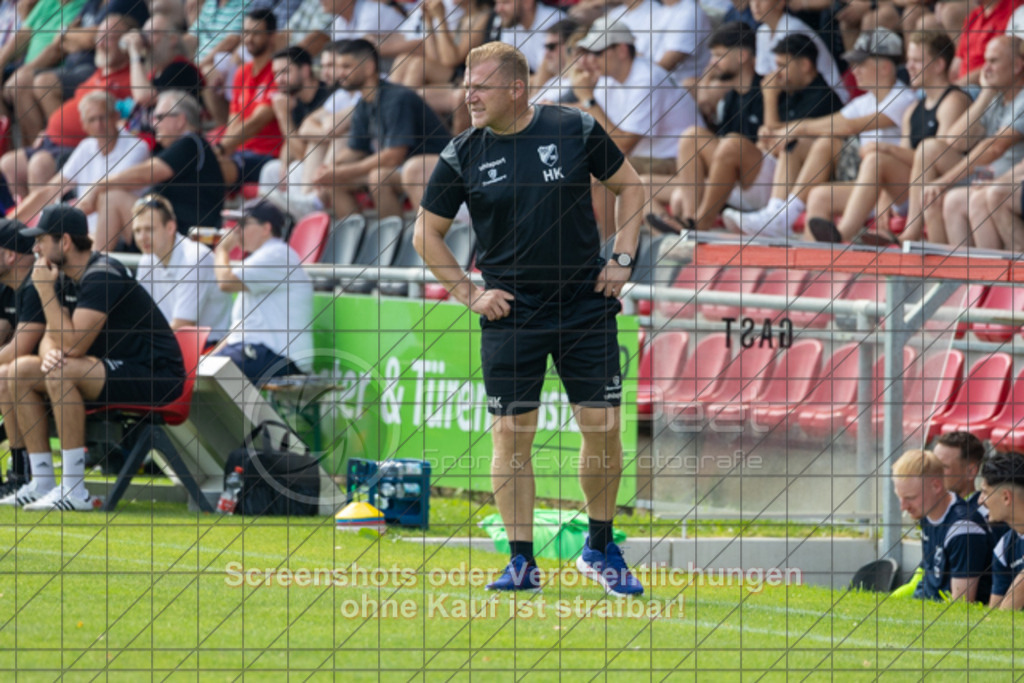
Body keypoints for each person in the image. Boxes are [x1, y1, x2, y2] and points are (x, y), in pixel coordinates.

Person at [415, 42, 645, 595]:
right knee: (512, 438)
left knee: (603, 429)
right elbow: (425, 234)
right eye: (467, 84)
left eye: (482, 85)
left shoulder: (575, 128)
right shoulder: (461, 153)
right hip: (513, 312)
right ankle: (521, 560)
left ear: (516, 89)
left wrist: (621, 259)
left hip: (585, 304)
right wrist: (470, 294)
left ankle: (600, 546)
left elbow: (632, 188)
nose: (469, 94)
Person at [1, 204, 185, 511]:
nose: (36, 247)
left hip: (156, 374)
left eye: (42, 239)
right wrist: (50, 355)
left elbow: (76, 345)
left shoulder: (102, 273)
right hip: (105, 368)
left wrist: (46, 293)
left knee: (62, 371)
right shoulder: (62, 276)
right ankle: (41, 481)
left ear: (66, 242)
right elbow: (52, 337)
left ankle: (74, 490)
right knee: (17, 371)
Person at [724, 28, 915, 238]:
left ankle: (784, 217)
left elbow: (848, 127)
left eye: (860, 64)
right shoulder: (866, 100)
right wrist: (787, 131)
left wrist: (796, 128)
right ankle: (779, 214)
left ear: (885, 67)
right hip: (865, 179)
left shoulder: (902, 98)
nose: (854, 70)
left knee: (824, 142)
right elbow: (832, 122)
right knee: (816, 187)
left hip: (891, 188)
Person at [647, 29, 843, 234]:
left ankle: (700, 224)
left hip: (784, 184)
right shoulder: (786, 90)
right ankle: (689, 219)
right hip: (751, 171)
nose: (777, 74)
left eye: (783, 66)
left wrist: (769, 99)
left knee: (733, 144)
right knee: (692, 136)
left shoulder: (822, 97)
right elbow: (771, 135)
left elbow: (784, 144)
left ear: (804, 65)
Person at [806, 31, 971, 244]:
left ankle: (844, 233)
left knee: (881, 156)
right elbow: (907, 162)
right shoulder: (913, 109)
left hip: (947, 184)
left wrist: (885, 149)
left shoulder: (953, 101)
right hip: (912, 189)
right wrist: (884, 192)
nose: (908, 67)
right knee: (820, 195)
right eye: (909, 60)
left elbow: (937, 161)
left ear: (939, 65)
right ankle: (813, 267)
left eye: (917, 61)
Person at [0, 13, 135, 204]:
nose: (102, 42)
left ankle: (46, 229)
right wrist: (47, 131)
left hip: (77, 147)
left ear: (125, 43)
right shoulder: (98, 72)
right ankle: (27, 223)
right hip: (51, 140)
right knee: (9, 163)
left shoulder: (130, 79)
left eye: (111, 37)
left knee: (38, 166)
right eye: (100, 36)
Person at [312, 39, 451, 218]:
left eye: (346, 66)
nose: (340, 73)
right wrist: (330, 168)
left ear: (369, 67)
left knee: (379, 177)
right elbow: (356, 149)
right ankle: (357, 241)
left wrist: (344, 171)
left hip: (432, 170)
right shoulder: (364, 102)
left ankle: (395, 242)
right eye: (338, 67)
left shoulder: (397, 98)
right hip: (402, 169)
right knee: (335, 181)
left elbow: (393, 156)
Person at [73, 90, 228, 245]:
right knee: (110, 199)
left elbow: (146, 174)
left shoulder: (191, 143)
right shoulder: (186, 145)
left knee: (112, 198)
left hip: (185, 238)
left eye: (159, 117)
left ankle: (95, 264)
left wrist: (100, 184)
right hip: (169, 231)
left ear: (180, 120)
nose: (154, 124)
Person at [12, 91, 150, 249]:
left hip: (119, 237)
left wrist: (56, 229)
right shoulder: (86, 146)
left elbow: (96, 200)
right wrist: (10, 222)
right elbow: (49, 190)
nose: (99, 125)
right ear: (84, 125)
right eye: (92, 120)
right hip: (82, 234)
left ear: (115, 116)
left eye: (103, 117)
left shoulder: (137, 148)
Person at [925, 35, 1024, 247]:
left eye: (993, 61)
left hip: (1013, 180)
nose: (985, 69)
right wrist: (985, 94)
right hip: (990, 175)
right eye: (985, 61)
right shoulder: (997, 97)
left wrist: (945, 181)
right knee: (946, 198)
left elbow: (995, 148)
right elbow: (955, 142)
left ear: (1017, 66)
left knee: (967, 197)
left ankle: (988, 277)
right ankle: (957, 276)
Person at [572, 17, 701, 176]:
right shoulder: (611, 77)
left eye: (597, 52)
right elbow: (592, 111)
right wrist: (549, 109)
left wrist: (588, 99)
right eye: (589, 52)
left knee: (596, 168)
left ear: (622, 50)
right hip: (647, 158)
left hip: (678, 162)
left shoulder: (646, 79)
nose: (591, 59)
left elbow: (623, 145)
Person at [212, 201, 313, 385]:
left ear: (266, 228)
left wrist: (222, 250)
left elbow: (225, 282)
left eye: (243, 224)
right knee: (201, 372)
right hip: (263, 351)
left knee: (209, 376)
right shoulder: (264, 256)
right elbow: (242, 327)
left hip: (281, 356)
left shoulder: (276, 254)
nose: (236, 231)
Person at [891, 449, 992, 603]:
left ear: (936, 486)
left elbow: (961, 604)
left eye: (910, 498)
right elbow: (929, 579)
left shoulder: (964, 529)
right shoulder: (926, 514)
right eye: (899, 497)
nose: (903, 507)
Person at [132, 193, 233, 344]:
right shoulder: (147, 260)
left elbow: (183, 326)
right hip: (172, 345)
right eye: (137, 231)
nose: (142, 237)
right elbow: (140, 317)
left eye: (149, 229)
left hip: (209, 349)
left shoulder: (195, 258)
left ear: (170, 227)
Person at [0, 220, 44, 498]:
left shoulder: (35, 285)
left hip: (69, 375)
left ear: (10, 256)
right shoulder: (8, 287)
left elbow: (20, 347)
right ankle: (19, 473)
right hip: (38, 375)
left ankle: (21, 473)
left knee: (6, 375)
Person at [215, 9, 284, 187]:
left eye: (256, 33)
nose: (248, 39)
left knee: (208, 168)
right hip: (239, 153)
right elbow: (233, 120)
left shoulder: (279, 72)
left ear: (272, 37)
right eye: (246, 32)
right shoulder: (241, 72)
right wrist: (223, 151)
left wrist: (221, 149)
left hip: (267, 155)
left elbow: (257, 121)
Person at [978, 450, 1024, 609]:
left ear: (1006, 497)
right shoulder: (1004, 547)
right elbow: (997, 617)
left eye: (985, 492)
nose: (980, 501)